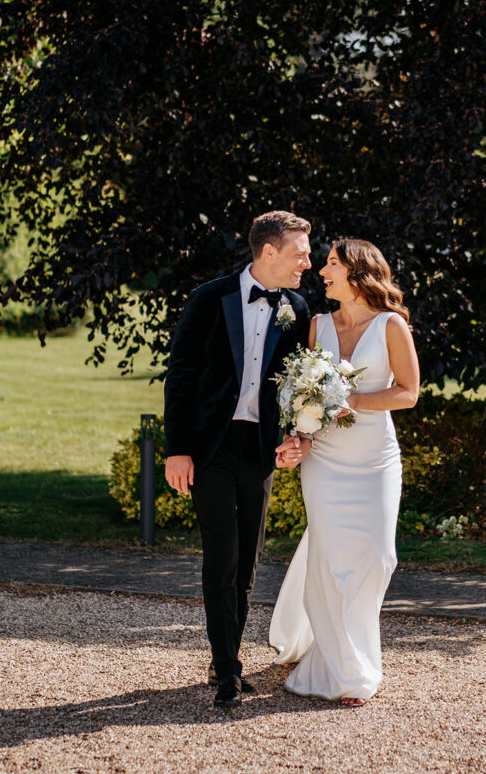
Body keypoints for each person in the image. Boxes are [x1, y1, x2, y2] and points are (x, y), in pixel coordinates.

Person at [163, 210, 313, 709]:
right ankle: (227, 667)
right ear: (269, 251)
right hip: (210, 446)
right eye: (300, 252)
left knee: (247, 559)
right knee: (221, 551)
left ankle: (222, 656)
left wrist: (296, 435)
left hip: (260, 449)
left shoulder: (296, 306)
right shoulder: (210, 298)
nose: (306, 263)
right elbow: (181, 374)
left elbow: (297, 386)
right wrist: (177, 449)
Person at [269, 238, 420, 707]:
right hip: (326, 462)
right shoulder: (316, 327)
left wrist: (349, 400)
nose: (321, 271)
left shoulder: (390, 325)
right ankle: (347, 669)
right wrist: (301, 438)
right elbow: (305, 402)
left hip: (376, 459)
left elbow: (407, 392)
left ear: (357, 273)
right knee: (330, 563)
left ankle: (350, 655)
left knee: (377, 559)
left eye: (331, 264)